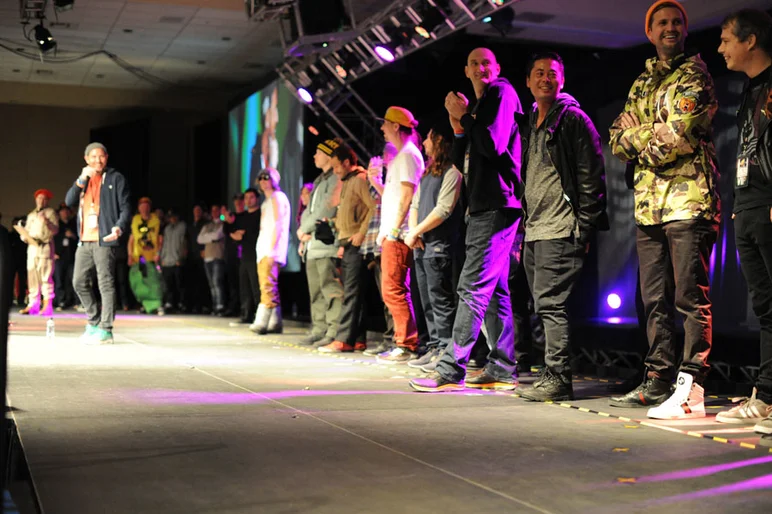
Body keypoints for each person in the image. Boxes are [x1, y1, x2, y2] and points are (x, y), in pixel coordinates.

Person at [608, 0, 720, 419]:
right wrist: (652, 134)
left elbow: (684, 134)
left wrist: (642, 141)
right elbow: (615, 139)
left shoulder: (696, 74)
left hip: (689, 202)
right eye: (661, 23)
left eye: (676, 22)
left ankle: (692, 385)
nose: (669, 28)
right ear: (650, 32)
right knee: (653, 299)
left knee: (690, 298)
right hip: (649, 206)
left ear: (685, 30)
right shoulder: (641, 82)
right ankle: (657, 379)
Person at [410, 47, 523, 392]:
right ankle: (502, 367)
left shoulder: (501, 92)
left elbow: (493, 145)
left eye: (486, 61)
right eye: (474, 63)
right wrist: (457, 124)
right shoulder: (480, 105)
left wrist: (467, 118)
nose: (480, 68)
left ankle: (450, 367)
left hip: (496, 203)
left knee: (471, 286)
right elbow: (462, 159)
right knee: (495, 290)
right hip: (482, 205)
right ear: (466, 70)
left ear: (497, 66)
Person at [515, 52, 608, 402]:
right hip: (535, 229)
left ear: (562, 80)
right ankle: (551, 373)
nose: (545, 79)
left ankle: (558, 378)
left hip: (561, 228)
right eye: (538, 73)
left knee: (552, 305)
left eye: (552, 73)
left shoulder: (573, 120)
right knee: (543, 306)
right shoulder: (530, 124)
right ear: (528, 81)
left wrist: (583, 226)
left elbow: (591, 176)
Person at [716, 9, 772, 436]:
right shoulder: (750, 90)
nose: (721, 48)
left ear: (750, 40)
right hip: (749, 206)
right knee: (766, 308)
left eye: (726, 39)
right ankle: (767, 397)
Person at [404, 123, 464, 370]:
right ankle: (434, 347)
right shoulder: (427, 174)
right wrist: (413, 233)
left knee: (441, 301)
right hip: (422, 246)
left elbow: (444, 209)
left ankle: (445, 349)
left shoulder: (453, 173)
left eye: (428, 138)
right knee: (426, 301)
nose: (425, 143)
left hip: (438, 247)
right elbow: (415, 204)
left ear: (439, 142)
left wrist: (416, 231)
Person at [65, 142, 131, 344]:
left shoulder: (115, 178)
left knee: (105, 283)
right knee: (78, 281)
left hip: (105, 239)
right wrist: (81, 179)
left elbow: (126, 207)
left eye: (101, 156)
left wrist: (118, 227)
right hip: (85, 240)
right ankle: (93, 321)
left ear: (107, 158)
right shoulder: (83, 180)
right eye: (93, 157)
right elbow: (69, 201)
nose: (97, 160)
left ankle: (106, 329)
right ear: (86, 159)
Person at [374, 106, 425, 363]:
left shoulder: (407, 155)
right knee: (393, 289)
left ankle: (406, 343)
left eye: (385, 123)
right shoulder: (403, 156)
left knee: (393, 289)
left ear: (396, 126)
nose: (382, 128)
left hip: (399, 234)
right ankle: (404, 341)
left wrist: (394, 230)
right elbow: (395, 197)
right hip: (394, 233)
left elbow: (407, 196)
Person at [318, 143, 376, 353]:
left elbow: (374, 206)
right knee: (355, 292)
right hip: (347, 242)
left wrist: (361, 232)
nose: (334, 171)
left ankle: (343, 339)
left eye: (336, 167)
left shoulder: (359, 179)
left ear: (346, 162)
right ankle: (357, 339)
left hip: (356, 242)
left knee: (350, 292)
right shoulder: (348, 181)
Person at [297, 140, 343, 346]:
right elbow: (308, 210)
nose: (314, 156)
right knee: (315, 291)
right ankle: (319, 328)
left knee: (330, 289)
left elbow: (326, 208)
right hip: (312, 246)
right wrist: (303, 232)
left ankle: (333, 330)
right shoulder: (318, 181)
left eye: (317, 152)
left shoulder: (335, 179)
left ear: (328, 154)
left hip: (326, 244)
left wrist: (304, 228)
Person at [362, 143, 398, 357]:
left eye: (387, 152)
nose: (383, 157)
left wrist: (376, 182)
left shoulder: (401, 171)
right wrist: (372, 181)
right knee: (385, 295)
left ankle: (397, 340)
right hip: (378, 241)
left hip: (394, 239)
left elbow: (393, 200)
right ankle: (390, 338)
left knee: (394, 294)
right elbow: (372, 204)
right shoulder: (386, 177)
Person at [251, 168, 291, 334]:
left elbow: (278, 224)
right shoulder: (266, 201)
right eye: (260, 178)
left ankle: (262, 321)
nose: (263, 180)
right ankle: (275, 322)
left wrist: (272, 249)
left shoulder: (277, 197)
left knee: (267, 286)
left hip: (271, 250)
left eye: (266, 177)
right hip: (263, 249)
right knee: (268, 286)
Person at [15, 189, 59, 316]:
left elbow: (55, 230)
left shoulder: (51, 213)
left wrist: (47, 222)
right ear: (36, 199)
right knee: (32, 277)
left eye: (44, 198)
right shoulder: (31, 215)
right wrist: (23, 235)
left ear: (48, 201)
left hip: (44, 246)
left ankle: (47, 305)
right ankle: (33, 304)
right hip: (32, 247)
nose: (41, 201)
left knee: (45, 276)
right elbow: (28, 230)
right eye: (39, 198)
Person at [229, 189, 261, 325]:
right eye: (246, 198)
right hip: (245, 254)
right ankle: (246, 314)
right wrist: (237, 236)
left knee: (256, 286)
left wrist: (243, 235)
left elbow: (254, 233)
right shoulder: (243, 216)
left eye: (251, 197)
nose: (248, 200)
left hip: (257, 253)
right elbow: (235, 233)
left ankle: (259, 316)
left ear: (257, 198)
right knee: (244, 286)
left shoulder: (261, 214)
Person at [128, 197, 164, 314]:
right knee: (141, 280)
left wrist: (158, 253)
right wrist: (130, 255)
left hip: (153, 256)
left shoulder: (155, 219)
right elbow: (131, 239)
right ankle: (145, 304)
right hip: (140, 257)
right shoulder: (135, 220)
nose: (144, 208)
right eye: (142, 206)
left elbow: (160, 238)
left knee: (154, 280)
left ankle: (157, 304)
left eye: (147, 206)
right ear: (139, 208)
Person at [197, 205, 227, 316]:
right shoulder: (207, 225)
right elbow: (199, 239)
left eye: (217, 210)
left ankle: (220, 306)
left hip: (217, 256)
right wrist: (212, 238)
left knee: (217, 282)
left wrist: (208, 237)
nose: (214, 212)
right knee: (211, 284)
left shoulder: (223, 224)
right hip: (207, 257)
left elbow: (218, 235)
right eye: (213, 210)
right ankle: (215, 306)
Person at [159, 209, 187, 313]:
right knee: (168, 284)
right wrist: (162, 257)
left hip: (176, 260)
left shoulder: (182, 226)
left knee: (179, 284)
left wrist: (181, 258)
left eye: (174, 216)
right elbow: (165, 244)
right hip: (167, 260)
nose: (172, 218)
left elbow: (183, 242)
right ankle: (170, 303)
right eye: (170, 217)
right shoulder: (167, 229)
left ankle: (181, 303)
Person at [54, 204, 78, 311]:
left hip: (72, 257)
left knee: (73, 280)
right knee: (59, 280)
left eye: (67, 211)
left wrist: (72, 235)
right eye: (63, 211)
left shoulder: (74, 224)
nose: (65, 213)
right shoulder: (56, 225)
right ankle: (61, 301)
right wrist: (53, 253)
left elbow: (78, 238)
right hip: (59, 257)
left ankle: (74, 301)